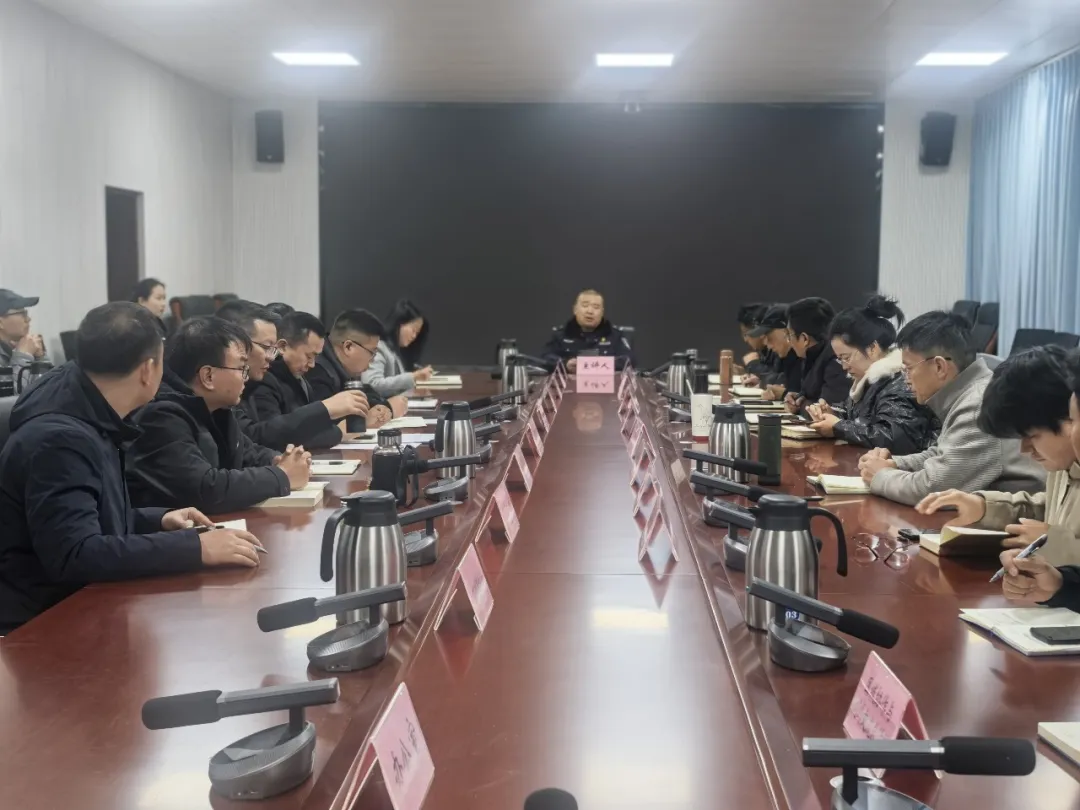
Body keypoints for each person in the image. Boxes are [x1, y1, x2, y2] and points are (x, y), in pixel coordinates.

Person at [0, 303, 262, 634]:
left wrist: (159, 520)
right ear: (148, 369)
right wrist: (194, 548)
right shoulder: (61, 439)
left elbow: (89, 518)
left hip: (82, 604)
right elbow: (75, 553)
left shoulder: (91, 411)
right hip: (41, 625)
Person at [126, 317, 312, 514]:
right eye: (241, 368)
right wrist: (281, 476)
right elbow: (206, 489)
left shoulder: (217, 408)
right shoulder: (161, 416)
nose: (245, 378)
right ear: (208, 376)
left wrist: (278, 459)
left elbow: (248, 453)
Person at [858, 311, 1044, 506]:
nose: (906, 379)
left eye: (908, 368)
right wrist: (896, 463)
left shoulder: (978, 404)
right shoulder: (971, 391)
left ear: (939, 367)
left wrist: (881, 476)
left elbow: (933, 489)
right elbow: (944, 454)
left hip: (1016, 517)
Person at [918, 346, 1080, 565]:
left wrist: (1057, 546)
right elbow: (1053, 511)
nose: (1024, 449)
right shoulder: (1064, 464)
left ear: (1069, 417)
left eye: (1032, 436)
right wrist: (985, 508)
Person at [217, 301, 365, 451]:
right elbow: (262, 437)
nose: (271, 357)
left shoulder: (258, 380)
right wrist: (325, 410)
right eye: (266, 347)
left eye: (273, 348)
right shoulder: (263, 381)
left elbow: (252, 447)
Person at [806, 296, 936, 455]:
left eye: (846, 357)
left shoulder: (900, 382)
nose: (844, 366)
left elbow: (896, 437)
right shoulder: (869, 381)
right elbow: (862, 419)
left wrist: (838, 426)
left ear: (872, 348)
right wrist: (832, 414)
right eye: (840, 359)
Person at [306, 309, 405, 423]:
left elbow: (366, 394)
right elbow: (324, 424)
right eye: (372, 352)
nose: (373, 359)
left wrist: (383, 406)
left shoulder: (343, 369)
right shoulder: (317, 371)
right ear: (348, 347)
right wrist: (386, 409)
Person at [542, 289, 635, 371]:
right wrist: (565, 364)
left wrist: (601, 364)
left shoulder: (615, 335)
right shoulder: (561, 335)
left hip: (605, 384)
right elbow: (545, 357)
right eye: (585, 305)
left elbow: (630, 359)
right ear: (575, 309)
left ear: (602, 312)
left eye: (596, 307)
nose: (590, 311)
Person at [783, 297, 850, 410]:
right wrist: (798, 397)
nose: (789, 342)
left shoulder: (835, 359)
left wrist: (800, 406)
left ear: (804, 339)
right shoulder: (814, 355)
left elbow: (829, 411)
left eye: (790, 335)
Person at [361, 298, 434, 397]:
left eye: (417, 333)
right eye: (413, 330)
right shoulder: (378, 348)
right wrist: (413, 377)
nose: (414, 336)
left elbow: (396, 389)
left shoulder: (396, 351)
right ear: (399, 324)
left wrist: (414, 391)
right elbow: (371, 385)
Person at [746, 304, 802, 400]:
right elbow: (779, 379)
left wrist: (783, 394)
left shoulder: (803, 355)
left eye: (769, 337)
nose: (768, 345)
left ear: (786, 330)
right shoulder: (785, 355)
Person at [0, 289, 47, 369]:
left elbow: (52, 377)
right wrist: (23, 356)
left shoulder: (11, 348)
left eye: (26, 313)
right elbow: (16, 378)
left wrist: (40, 358)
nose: (28, 319)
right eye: (22, 314)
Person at [738, 303, 779, 384]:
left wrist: (753, 364)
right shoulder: (763, 350)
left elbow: (780, 379)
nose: (745, 340)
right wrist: (746, 373)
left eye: (746, 334)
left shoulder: (781, 348)